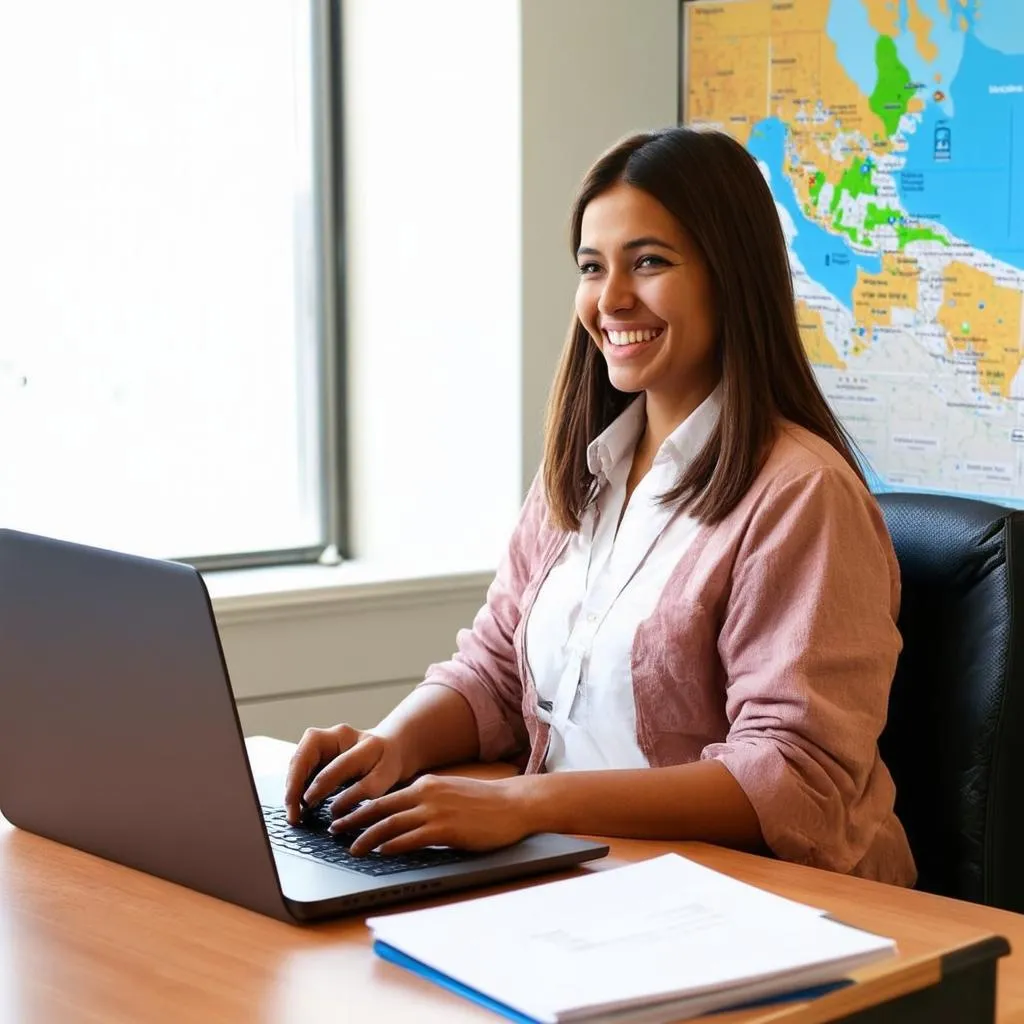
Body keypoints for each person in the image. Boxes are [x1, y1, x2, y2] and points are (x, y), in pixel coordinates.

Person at [285, 126, 916, 885]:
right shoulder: (582, 471)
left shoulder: (802, 495)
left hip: (753, 902)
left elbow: (790, 776)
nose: (611, 299)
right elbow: (492, 671)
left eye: (648, 262)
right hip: (587, 871)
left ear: (730, 275)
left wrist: (531, 804)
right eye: (592, 267)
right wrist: (390, 746)